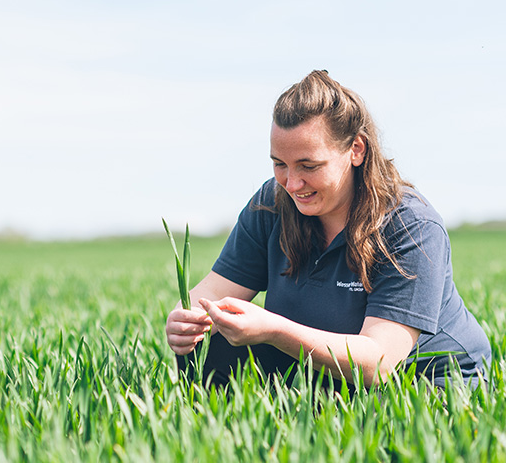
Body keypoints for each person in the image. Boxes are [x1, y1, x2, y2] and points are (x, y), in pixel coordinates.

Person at [165, 70, 491, 390]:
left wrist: (273, 329)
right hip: (320, 367)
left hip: (423, 381)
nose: (292, 184)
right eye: (280, 164)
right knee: (208, 349)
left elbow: (378, 363)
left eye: (309, 166)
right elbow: (207, 296)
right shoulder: (272, 204)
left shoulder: (412, 226)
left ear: (356, 150)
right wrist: (186, 319)